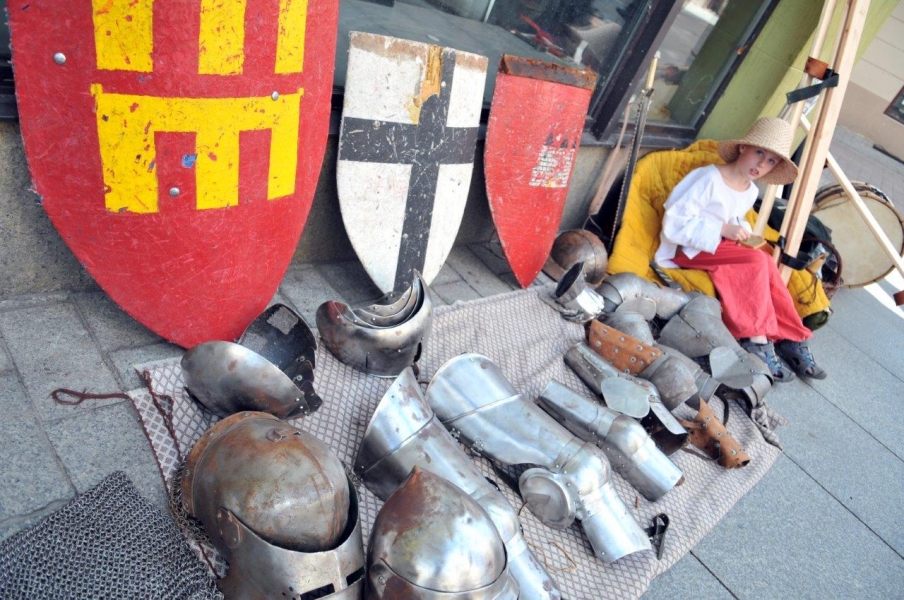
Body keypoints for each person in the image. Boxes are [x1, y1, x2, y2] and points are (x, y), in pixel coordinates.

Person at [653, 117, 826, 381]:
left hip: (718, 245)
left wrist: (741, 231)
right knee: (756, 262)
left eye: (771, 161)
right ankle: (755, 338)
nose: (761, 164)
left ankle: (791, 336)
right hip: (690, 247)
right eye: (759, 153)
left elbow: (734, 218)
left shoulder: (749, 191)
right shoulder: (708, 177)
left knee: (766, 262)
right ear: (743, 147)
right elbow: (674, 222)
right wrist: (722, 229)